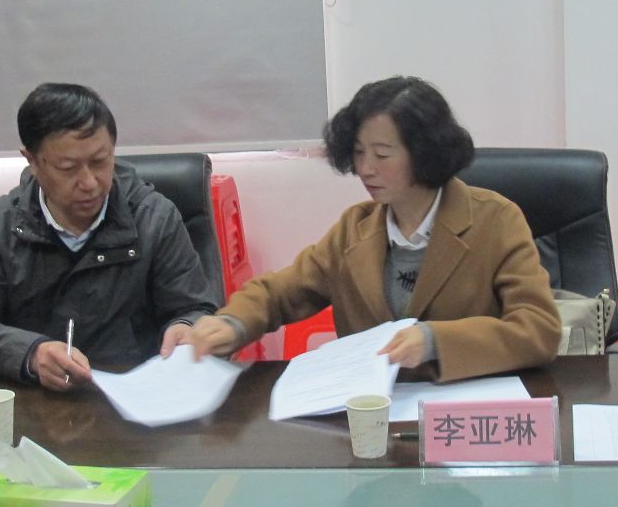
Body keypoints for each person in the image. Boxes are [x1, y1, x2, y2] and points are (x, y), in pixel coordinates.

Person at [184, 76, 559, 381]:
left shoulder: (496, 221)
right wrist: (234, 323)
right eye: (359, 152)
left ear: (426, 152)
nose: (365, 168)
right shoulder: (355, 228)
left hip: (465, 413)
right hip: (374, 415)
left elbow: (538, 330)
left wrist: (435, 341)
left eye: (381, 154)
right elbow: (282, 291)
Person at [0, 83, 217, 390]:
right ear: (31, 160)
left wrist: (187, 326)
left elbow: (196, 308)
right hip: (37, 400)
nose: (89, 182)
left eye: (100, 161)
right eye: (68, 168)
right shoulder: (0, 224)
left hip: (135, 395)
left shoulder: (154, 218)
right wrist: (32, 353)